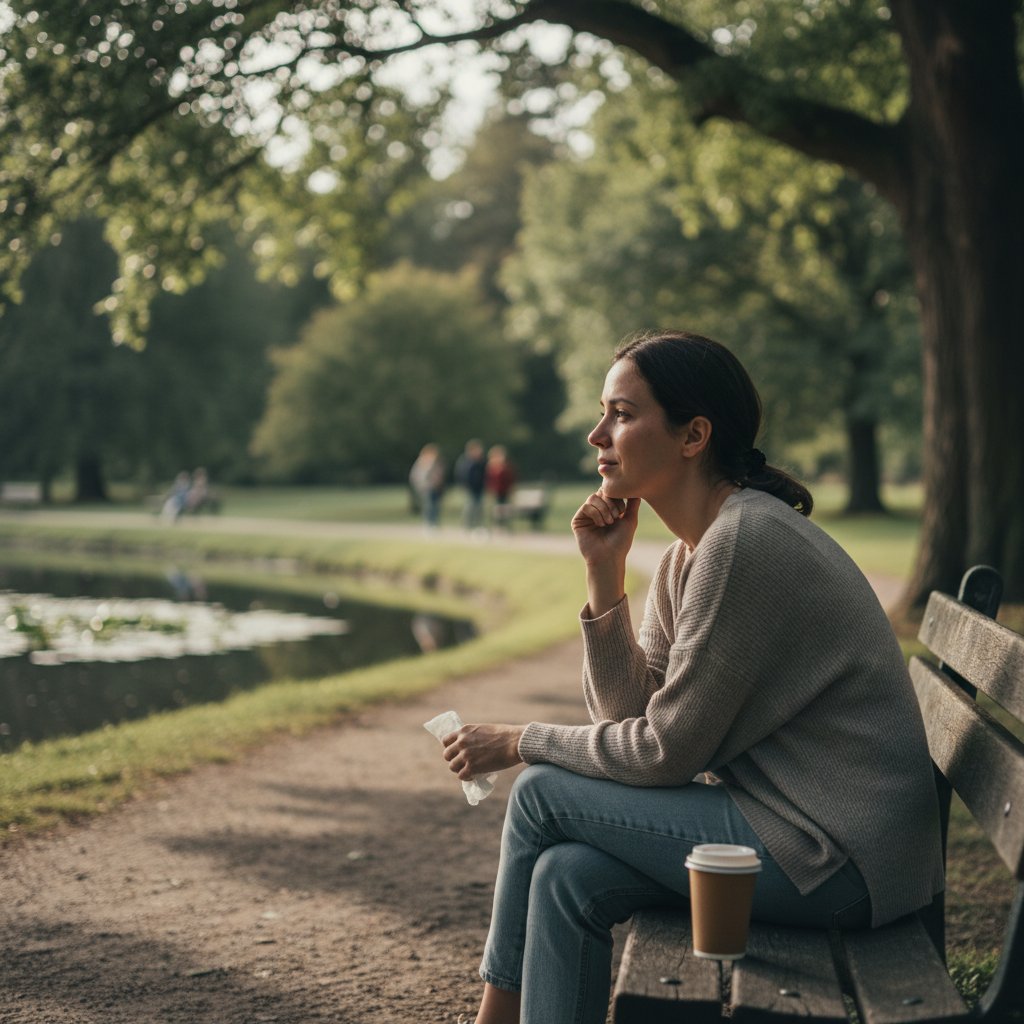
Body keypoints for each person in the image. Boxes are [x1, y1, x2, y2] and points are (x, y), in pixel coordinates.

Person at [439, 330, 943, 1024]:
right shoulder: (692, 553)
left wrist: (522, 740)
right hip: (797, 838)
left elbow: (666, 753)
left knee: (540, 796)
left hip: (840, 860)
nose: (597, 434)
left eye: (620, 413)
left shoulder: (745, 543)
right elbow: (628, 717)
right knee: (566, 876)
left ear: (692, 435)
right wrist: (604, 575)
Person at [409, 443, 446, 529]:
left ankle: (435, 523)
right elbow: (416, 476)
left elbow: (440, 475)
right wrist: (422, 485)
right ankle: (428, 524)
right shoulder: (422, 462)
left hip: (436, 488)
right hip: (427, 488)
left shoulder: (438, 462)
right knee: (429, 506)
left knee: (436, 506)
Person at [455, 439, 488, 532]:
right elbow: (462, 475)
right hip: (469, 488)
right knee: (470, 506)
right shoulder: (466, 462)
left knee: (479, 507)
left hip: (479, 488)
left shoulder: (481, 462)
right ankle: (467, 525)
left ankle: (478, 526)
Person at [485, 445, 516, 527]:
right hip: (495, 491)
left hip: (504, 490)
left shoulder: (506, 467)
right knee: (496, 509)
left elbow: (510, 479)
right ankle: (497, 524)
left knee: (504, 508)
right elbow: (489, 480)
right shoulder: (491, 467)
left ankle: (504, 524)